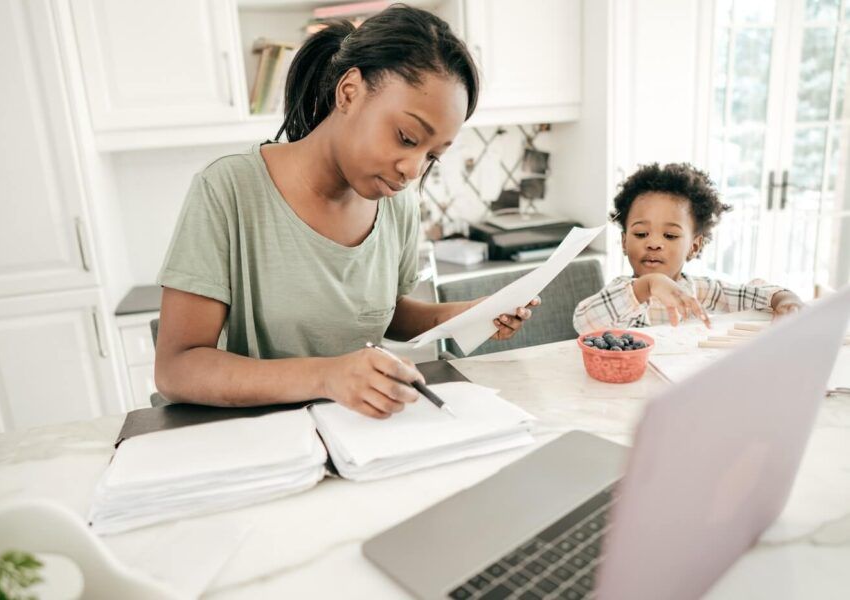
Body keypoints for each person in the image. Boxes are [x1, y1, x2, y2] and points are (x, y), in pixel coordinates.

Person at [155, 5, 539, 419]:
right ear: (349, 92)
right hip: (266, 439)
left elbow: (385, 313)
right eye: (406, 137)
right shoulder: (229, 190)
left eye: (432, 156)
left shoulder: (398, 204)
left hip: (363, 432)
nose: (412, 171)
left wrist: (468, 315)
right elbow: (177, 368)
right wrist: (327, 376)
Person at [573, 162, 803, 333]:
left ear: (694, 246)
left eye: (670, 235)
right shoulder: (623, 291)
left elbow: (752, 295)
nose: (653, 243)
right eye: (641, 234)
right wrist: (648, 285)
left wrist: (784, 299)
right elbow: (584, 322)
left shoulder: (700, 290)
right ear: (624, 242)